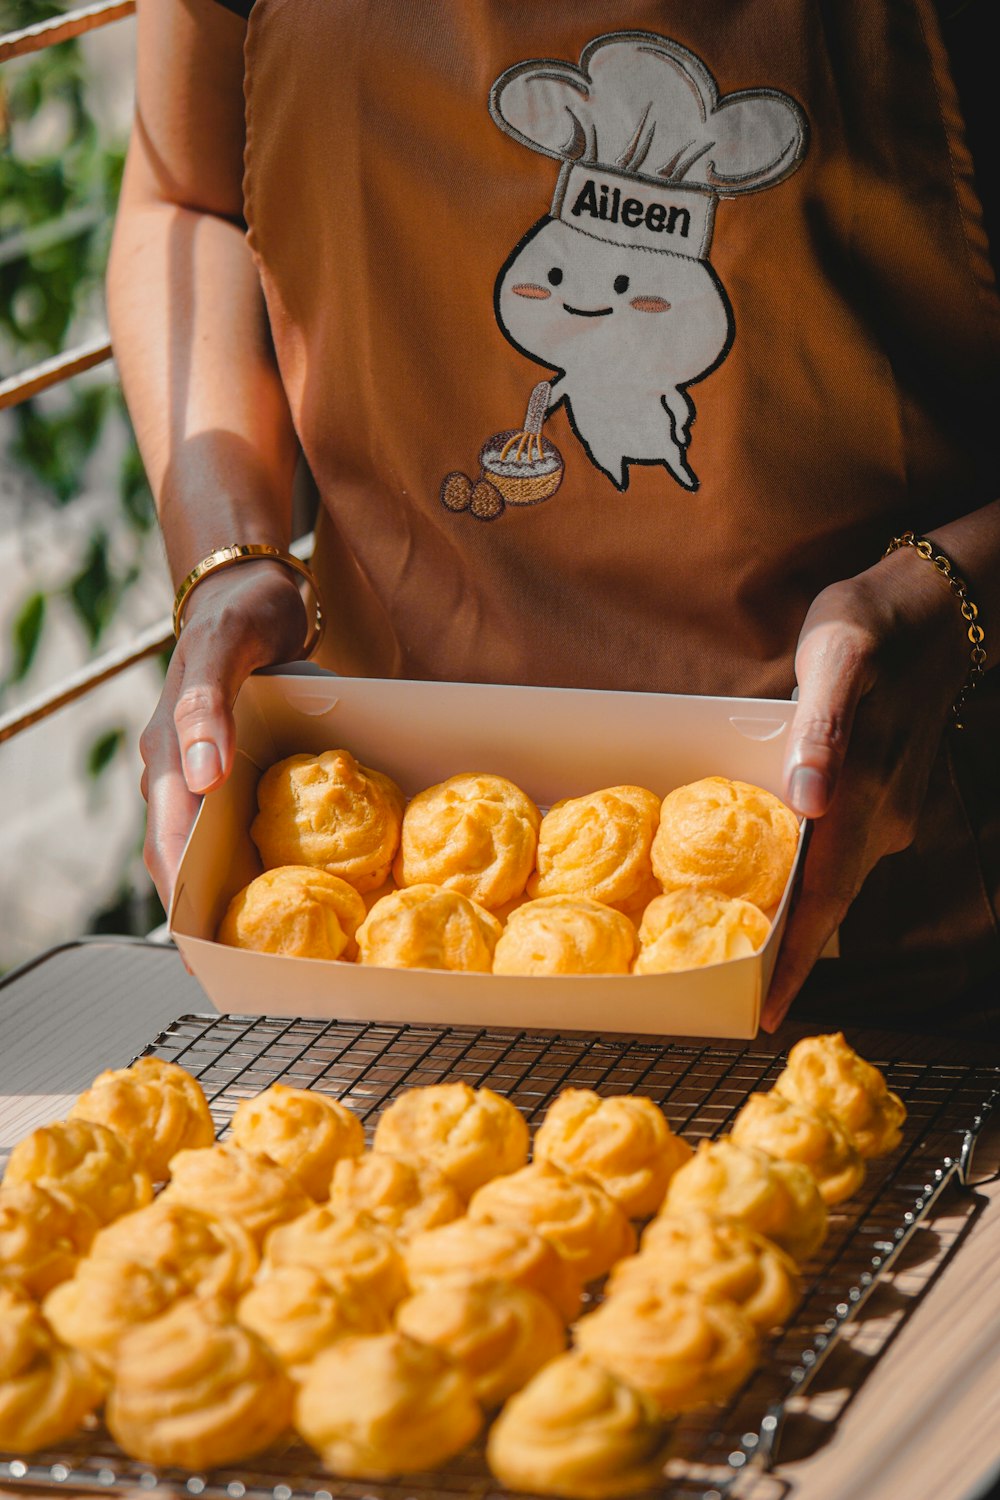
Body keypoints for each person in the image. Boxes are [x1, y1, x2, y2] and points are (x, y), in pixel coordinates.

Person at [110, 0, 999, 1033]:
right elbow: (188, 200)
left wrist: (956, 591)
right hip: (381, 929)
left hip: (890, 899)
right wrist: (232, 554)